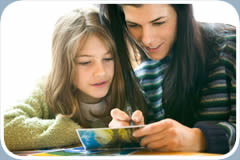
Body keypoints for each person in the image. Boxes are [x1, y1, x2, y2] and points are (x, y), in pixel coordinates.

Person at [4, 8, 147, 151]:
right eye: (85, 62)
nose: (101, 72)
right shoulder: (46, 90)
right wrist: (81, 133)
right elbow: (6, 127)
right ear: (63, 66)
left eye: (108, 59)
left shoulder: (127, 89)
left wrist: (130, 133)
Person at [100, 4, 236, 154]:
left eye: (159, 22)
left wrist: (200, 139)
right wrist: (131, 134)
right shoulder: (143, 76)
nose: (147, 40)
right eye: (133, 25)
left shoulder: (232, 47)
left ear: (182, 13)